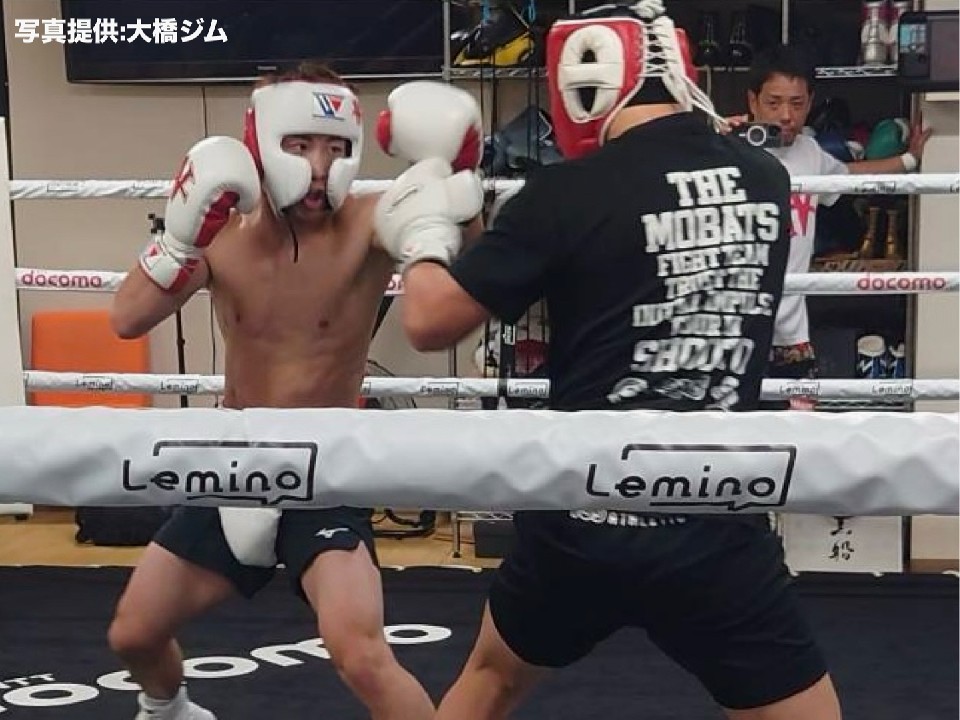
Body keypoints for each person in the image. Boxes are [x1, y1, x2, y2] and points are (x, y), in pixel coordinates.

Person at [372, 1, 844, 718]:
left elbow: (428, 321)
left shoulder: (564, 194)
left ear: (579, 81)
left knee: (491, 680)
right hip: (711, 515)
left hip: (582, 515)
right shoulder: (765, 179)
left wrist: (428, 230)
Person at [106, 61, 484, 720]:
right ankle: (169, 710)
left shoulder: (370, 223)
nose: (318, 167)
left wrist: (462, 188)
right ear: (259, 142)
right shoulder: (221, 235)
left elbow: (471, 272)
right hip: (235, 463)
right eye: (301, 145)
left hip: (327, 471)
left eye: (335, 148)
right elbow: (126, 319)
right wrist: (180, 237)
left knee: (361, 654)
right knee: (133, 636)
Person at [728, 44, 932, 407]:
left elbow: (849, 175)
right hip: (733, 328)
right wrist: (714, 133)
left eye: (797, 103)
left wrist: (908, 160)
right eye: (774, 103)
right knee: (729, 431)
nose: (786, 115)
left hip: (791, 334)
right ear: (752, 101)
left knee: (800, 432)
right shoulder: (725, 149)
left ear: (810, 102)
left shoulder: (809, 151)